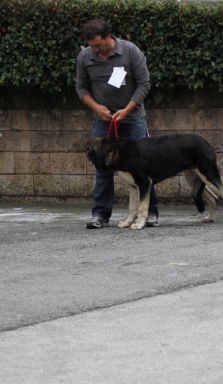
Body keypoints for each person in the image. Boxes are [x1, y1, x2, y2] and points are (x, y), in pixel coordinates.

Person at [76, 19, 159, 229]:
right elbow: (81, 88)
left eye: (98, 45)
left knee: (144, 166)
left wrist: (127, 110)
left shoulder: (130, 51)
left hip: (133, 119)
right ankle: (100, 215)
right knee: (102, 167)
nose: (95, 49)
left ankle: (150, 213)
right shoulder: (85, 56)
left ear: (108, 36)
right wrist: (96, 108)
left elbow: (144, 84)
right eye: (91, 46)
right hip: (103, 121)